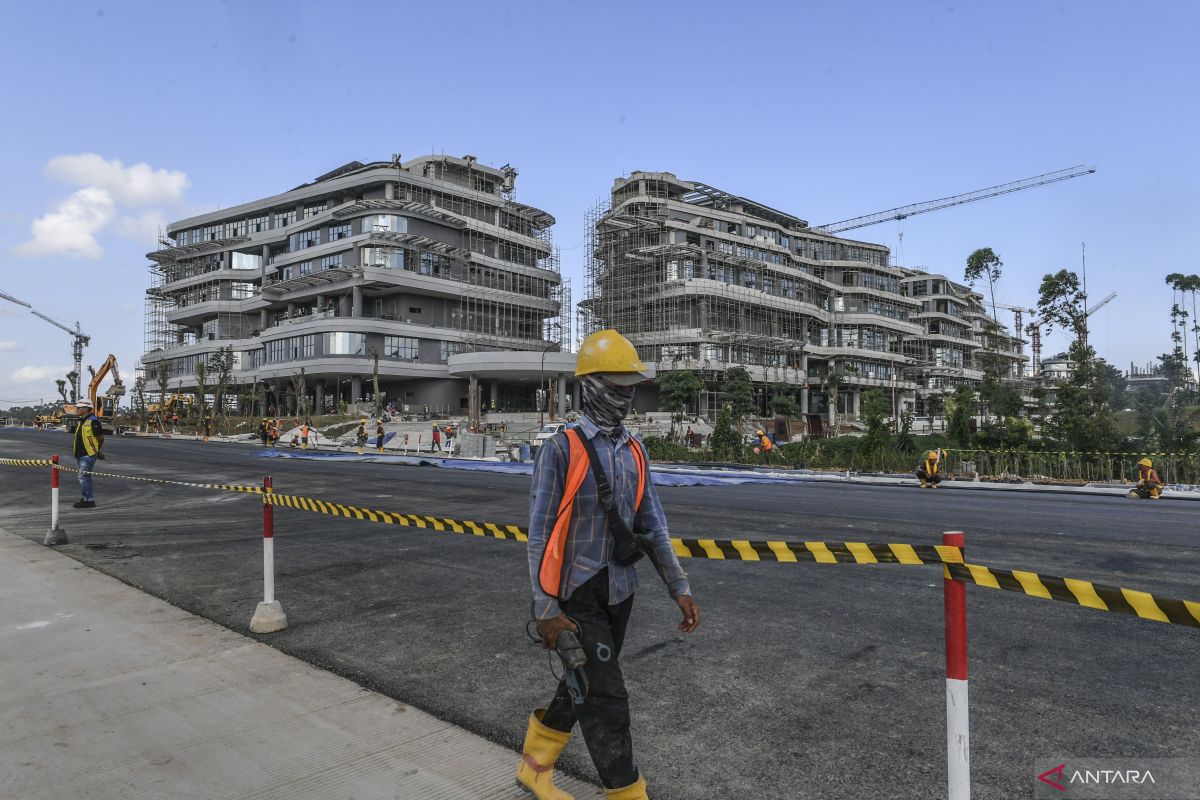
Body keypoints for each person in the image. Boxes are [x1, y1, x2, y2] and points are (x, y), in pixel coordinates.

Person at [518, 329, 700, 800]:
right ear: (591, 385)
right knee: (608, 700)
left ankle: (535, 766)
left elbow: (653, 522)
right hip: (575, 593)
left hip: (620, 590)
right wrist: (545, 610)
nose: (624, 396)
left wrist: (678, 587)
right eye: (616, 385)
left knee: (583, 683)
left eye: (630, 386)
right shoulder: (560, 449)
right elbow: (538, 533)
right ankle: (627, 793)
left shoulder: (635, 450)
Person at [72, 398, 104, 509]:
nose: (77, 409)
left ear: (85, 409)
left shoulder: (93, 421)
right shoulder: (82, 421)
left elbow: (100, 438)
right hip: (80, 454)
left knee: (83, 477)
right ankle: (87, 498)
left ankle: (88, 500)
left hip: (88, 454)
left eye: (79, 407)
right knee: (84, 477)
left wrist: (97, 450)